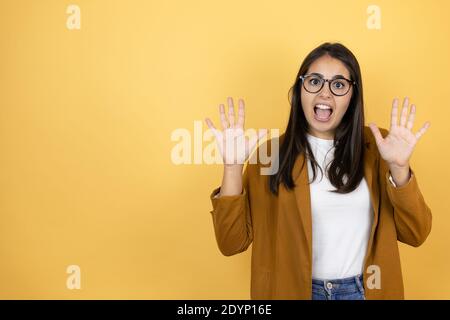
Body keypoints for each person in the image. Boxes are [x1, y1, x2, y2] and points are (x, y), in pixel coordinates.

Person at [204, 42, 432, 300]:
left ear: (352, 95)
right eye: (314, 81)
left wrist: (399, 169)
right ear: (300, 88)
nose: (325, 94)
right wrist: (232, 167)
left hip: (363, 293)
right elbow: (231, 242)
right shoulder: (271, 156)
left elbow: (416, 233)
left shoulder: (378, 149)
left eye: (338, 84)